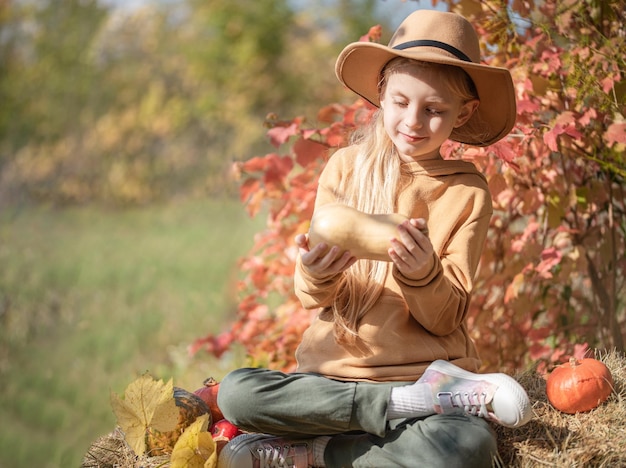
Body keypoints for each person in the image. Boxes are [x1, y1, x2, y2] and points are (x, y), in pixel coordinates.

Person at [217, 9, 531, 468]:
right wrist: (314, 272)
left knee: (466, 451)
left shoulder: (466, 192)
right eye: (401, 102)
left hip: (425, 378)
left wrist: (423, 275)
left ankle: (317, 453)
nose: (414, 121)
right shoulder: (346, 167)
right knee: (236, 394)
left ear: (464, 113)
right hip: (333, 384)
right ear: (382, 95)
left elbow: (447, 319)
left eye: (434, 110)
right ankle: (370, 427)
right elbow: (312, 297)